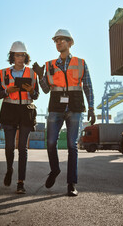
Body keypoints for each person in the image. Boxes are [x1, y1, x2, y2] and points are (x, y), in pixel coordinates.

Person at [33, 29, 95, 197]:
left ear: (70, 43)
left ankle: (71, 184)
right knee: (51, 142)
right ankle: (55, 170)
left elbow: (88, 86)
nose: (58, 43)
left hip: (75, 107)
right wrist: (40, 76)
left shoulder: (81, 63)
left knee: (71, 145)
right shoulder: (50, 65)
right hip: (56, 107)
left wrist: (91, 108)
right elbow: (46, 90)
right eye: (56, 41)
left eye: (61, 40)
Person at [0, 41, 39, 194]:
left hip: (26, 110)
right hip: (9, 110)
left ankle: (20, 182)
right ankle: (9, 169)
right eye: (17, 55)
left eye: (22, 55)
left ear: (25, 56)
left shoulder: (33, 74)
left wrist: (31, 90)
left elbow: (36, 95)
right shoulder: (4, 73)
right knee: (9, 146)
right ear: (12, 56)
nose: (20, 58)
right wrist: (8, 90)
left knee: (22, 148)